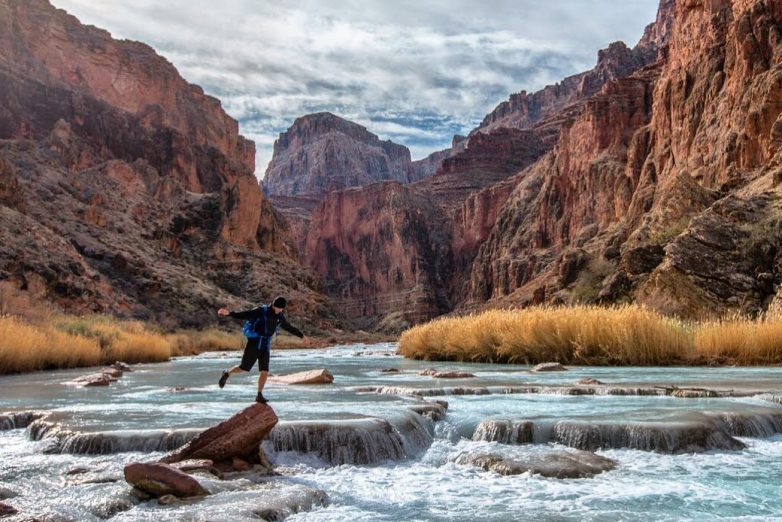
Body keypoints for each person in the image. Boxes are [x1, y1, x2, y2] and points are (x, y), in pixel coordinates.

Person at [217, 296, 310, 403]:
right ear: (274, 305)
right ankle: (227, 373)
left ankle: (259, 394)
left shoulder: (280, 316)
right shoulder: (261, 311)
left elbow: (288, 327)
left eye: (282, 309)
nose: (280, 310)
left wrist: (302, 336)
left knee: (265, 370)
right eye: (278, 308)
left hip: (265, 345)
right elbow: (245, 314)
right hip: (254, 343)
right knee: (244, 368)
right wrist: (229, 313)